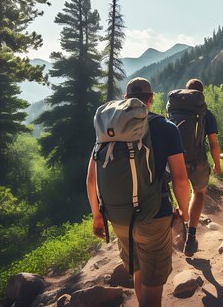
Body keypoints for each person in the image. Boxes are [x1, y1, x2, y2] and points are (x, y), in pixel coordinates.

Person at [86, 77, 190, 307]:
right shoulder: (166, 128)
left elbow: (91, 179)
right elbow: (180, 179)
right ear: (151, 99)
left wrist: (97, 216)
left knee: (138, 268)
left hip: (118, 217)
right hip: (154, 216)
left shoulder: (108, 129)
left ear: (126, 99)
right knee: (154, 283)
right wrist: (184, 210)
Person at [180, 78, 221, 257]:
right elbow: (213, 143)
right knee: (198, 193)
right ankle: (191, 236)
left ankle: (180, 220)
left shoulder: (174, 111)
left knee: (180, 189)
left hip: (176, 160)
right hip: (198, 160)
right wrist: (217, 164)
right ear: (201, 95)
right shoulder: (207, 114)